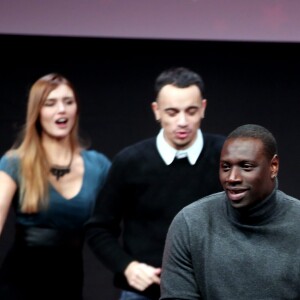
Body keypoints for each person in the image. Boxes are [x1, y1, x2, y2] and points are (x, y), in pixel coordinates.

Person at [85, 67, 225, 300]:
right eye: (172, 112)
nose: (182, 122)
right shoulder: (130, 161)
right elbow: (99, 228)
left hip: (211, 290)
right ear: (156, 111)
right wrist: (128, 267)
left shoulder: (226, 156)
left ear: (203, 108)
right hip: (143, 293)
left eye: (190, 111)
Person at [0, 73, 111, 300]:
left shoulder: (97, 165)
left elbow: (128, 209)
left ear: (76, 109)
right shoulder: (15, 162)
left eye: (68, 102)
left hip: (68, 283)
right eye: (50, 104)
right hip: (19, 285)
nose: (61, 109)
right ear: (37, 112)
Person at [160, 123, 300, 300]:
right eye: (226, 167)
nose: (232, 178)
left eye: (246, 166)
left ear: (273, 166)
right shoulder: (190, 223)